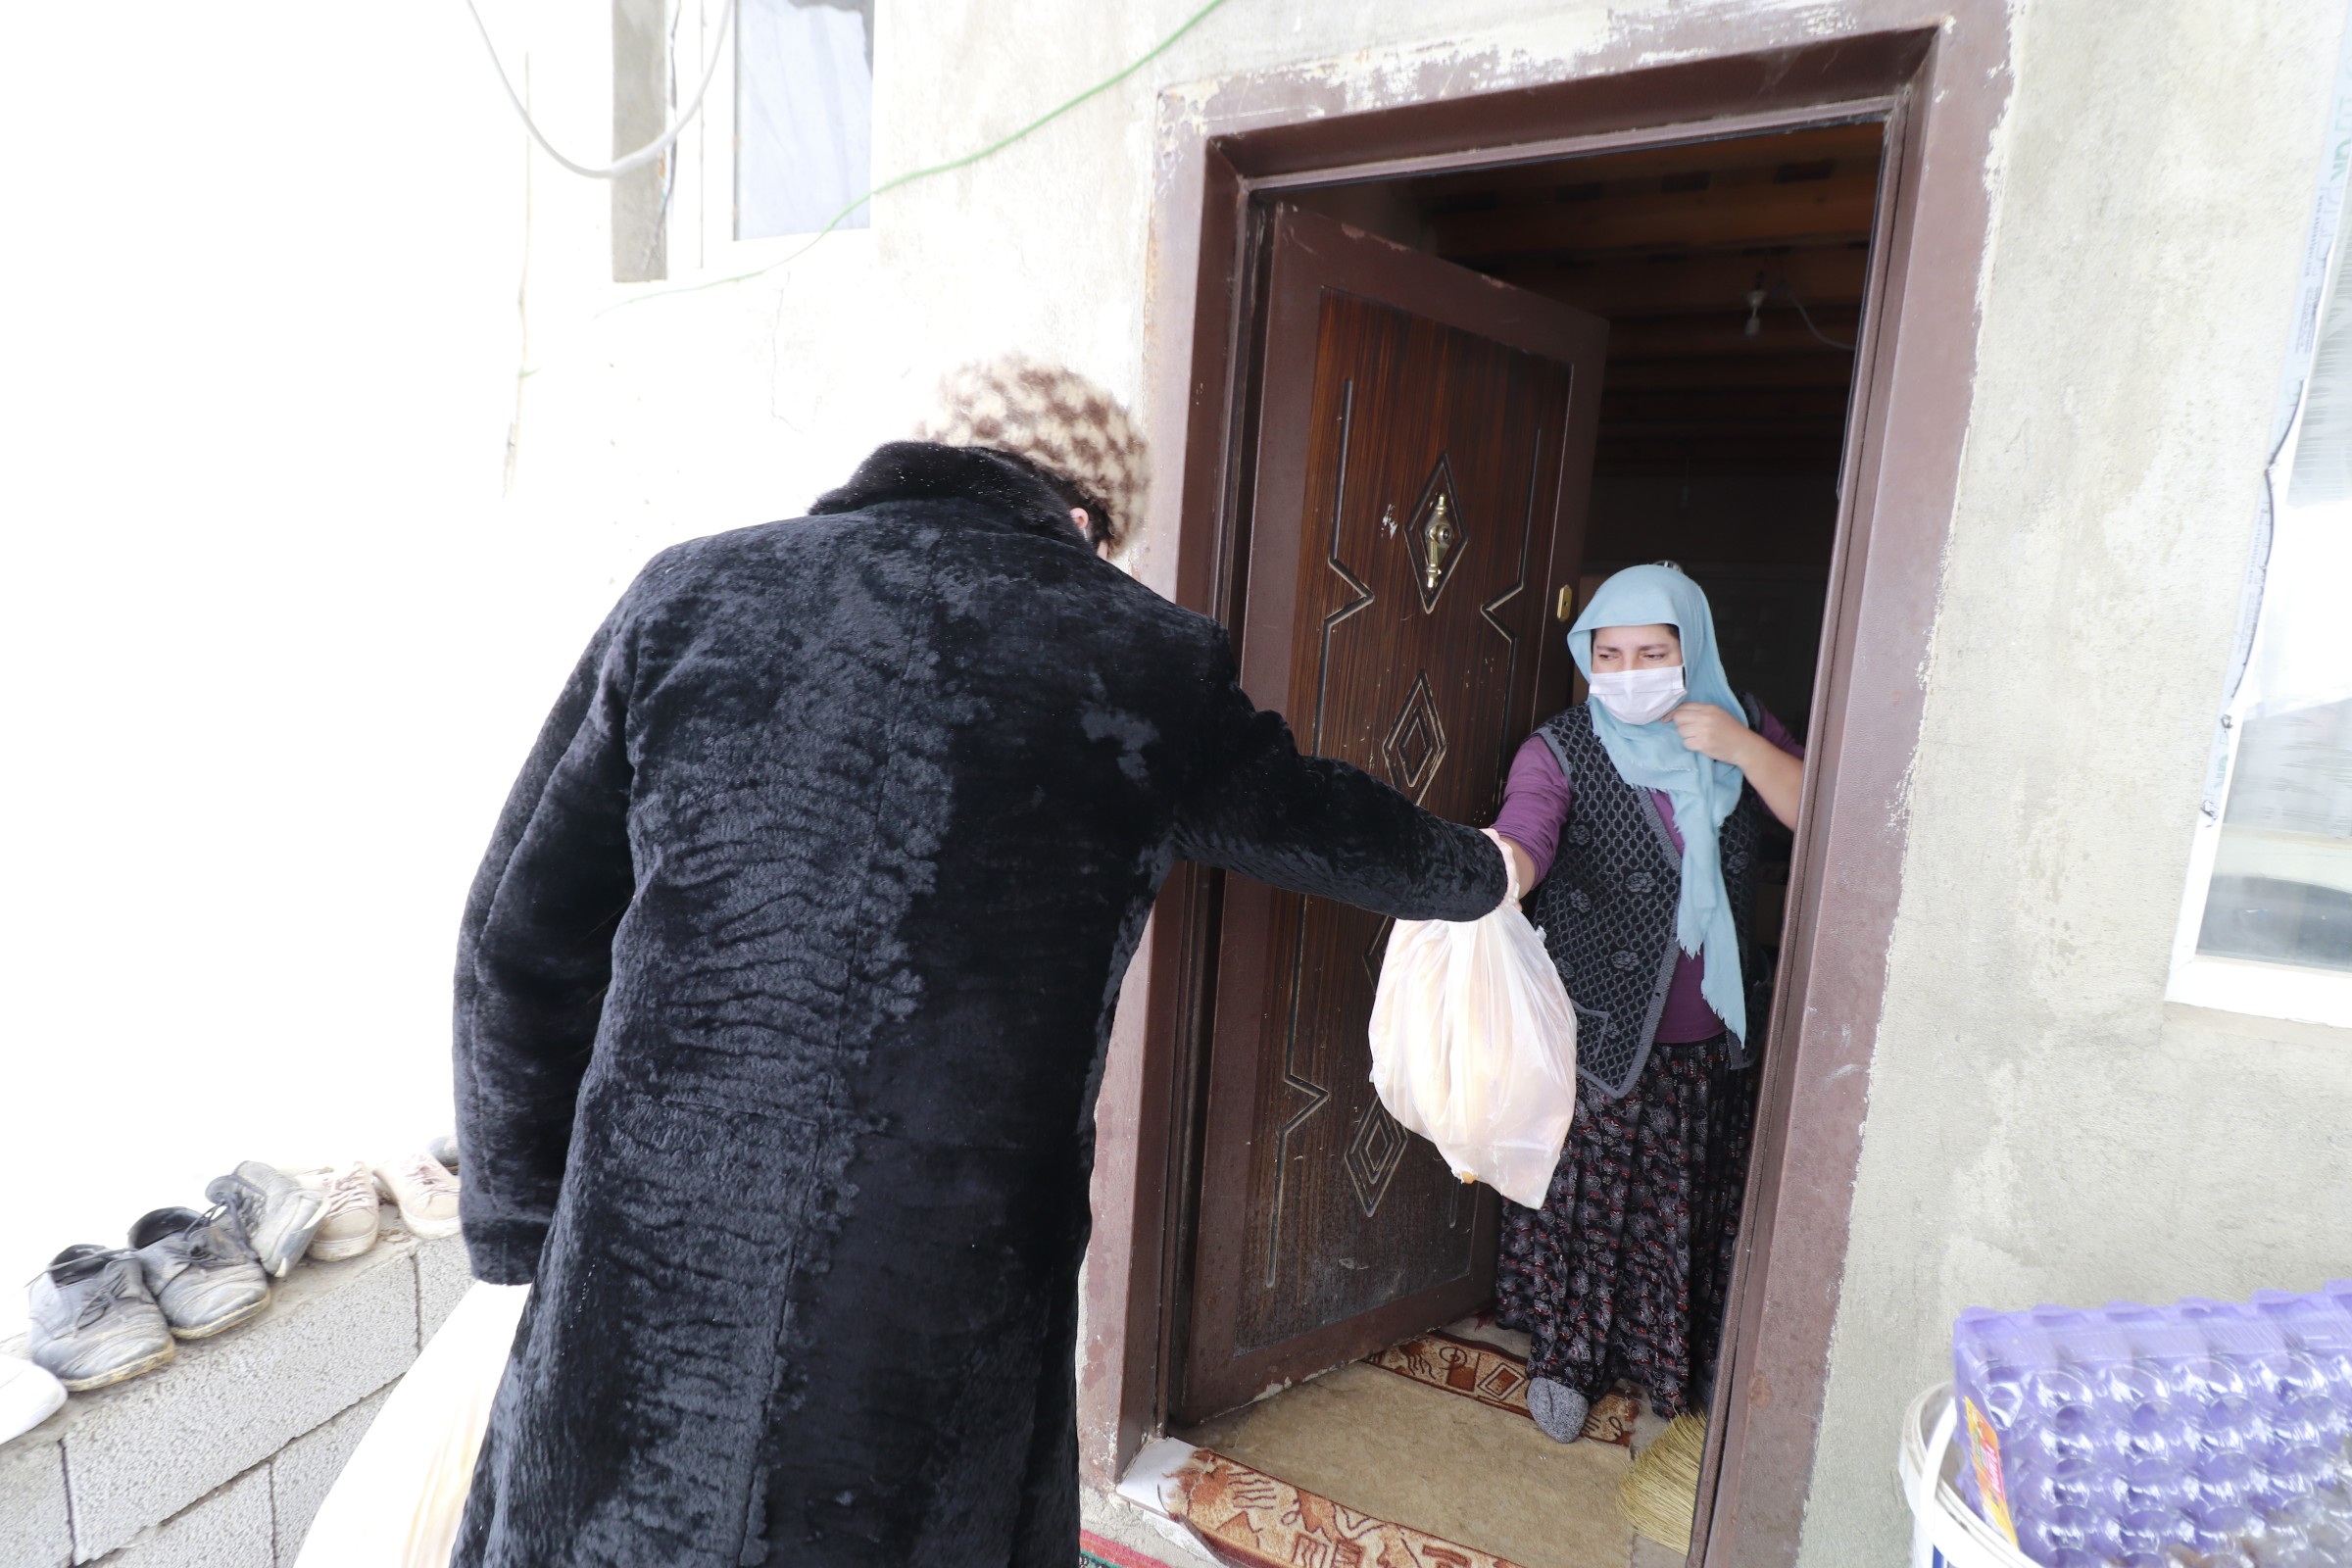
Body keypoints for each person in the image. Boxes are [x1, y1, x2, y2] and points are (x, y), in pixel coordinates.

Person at [449, 355, 1508, 1566]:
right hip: (934, 1282)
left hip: (644, 1257)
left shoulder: (689, 593)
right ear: (1088, 518)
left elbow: (518, 937)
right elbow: (1336, 827)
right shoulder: (1144, 656)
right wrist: (1488, 868)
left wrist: (531, 1224)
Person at [1486, 563, 1803, 1443]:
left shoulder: (1740, 726)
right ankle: (1565, 1359)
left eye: (1653, 652)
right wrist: (1496, 871)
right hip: (1601, 1037)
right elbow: (1527, 833)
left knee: (1684, 1205)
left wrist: (1741, 748)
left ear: (1689, 651)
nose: (1630, 673)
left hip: (1712, 1038)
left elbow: (1823, 812)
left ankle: (1671, 1358)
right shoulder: (1560, 749)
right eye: (1610, 653)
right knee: (1585, 1210)